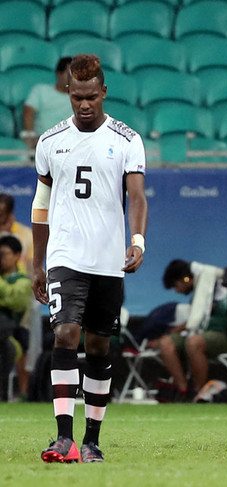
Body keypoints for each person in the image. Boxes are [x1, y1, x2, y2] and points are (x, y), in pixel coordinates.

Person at [32, 54, 147, 463]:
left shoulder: (127, 138)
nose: (84, 104)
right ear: (67, 91)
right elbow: (41, 206)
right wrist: (37, 263)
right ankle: (64, 438)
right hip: (66, 255)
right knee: (65, 334)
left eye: (91, 97)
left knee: (98, 345)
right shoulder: (49, 142)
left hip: (108, 259)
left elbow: (136, 196)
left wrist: (137, 241)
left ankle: (92, 439)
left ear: (103, 92)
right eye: (76, 96)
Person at [149, 259, 227, 402]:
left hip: (225, 336)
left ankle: (199, 392)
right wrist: (173, 332)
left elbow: (199, 320)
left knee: (193, 343)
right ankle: (183, 389)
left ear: (186, 279)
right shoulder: (199, 290)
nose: (176, 291)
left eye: (176, 285)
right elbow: (196, 319)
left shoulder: (214, 283)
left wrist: (181, 329)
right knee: (166, 343)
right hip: (199, 333)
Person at [0, 235, 31, 402]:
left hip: (10, 336)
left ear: (17, 255)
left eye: (5, 254)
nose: (2, 259)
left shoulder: (23, 281)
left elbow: (15, 302)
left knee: (6, 347)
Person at [21, 57, 74, 151]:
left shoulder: (79, 97)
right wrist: (30, 136)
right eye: (69, 73)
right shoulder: (40, 90)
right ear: (59, 74)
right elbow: (28, 113)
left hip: (69, 144)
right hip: (42, 141)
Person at [0, 194, 34, 276]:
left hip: (20, 283)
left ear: (10, 214)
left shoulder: (27, 235)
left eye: (1, 214)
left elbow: (31, 266)